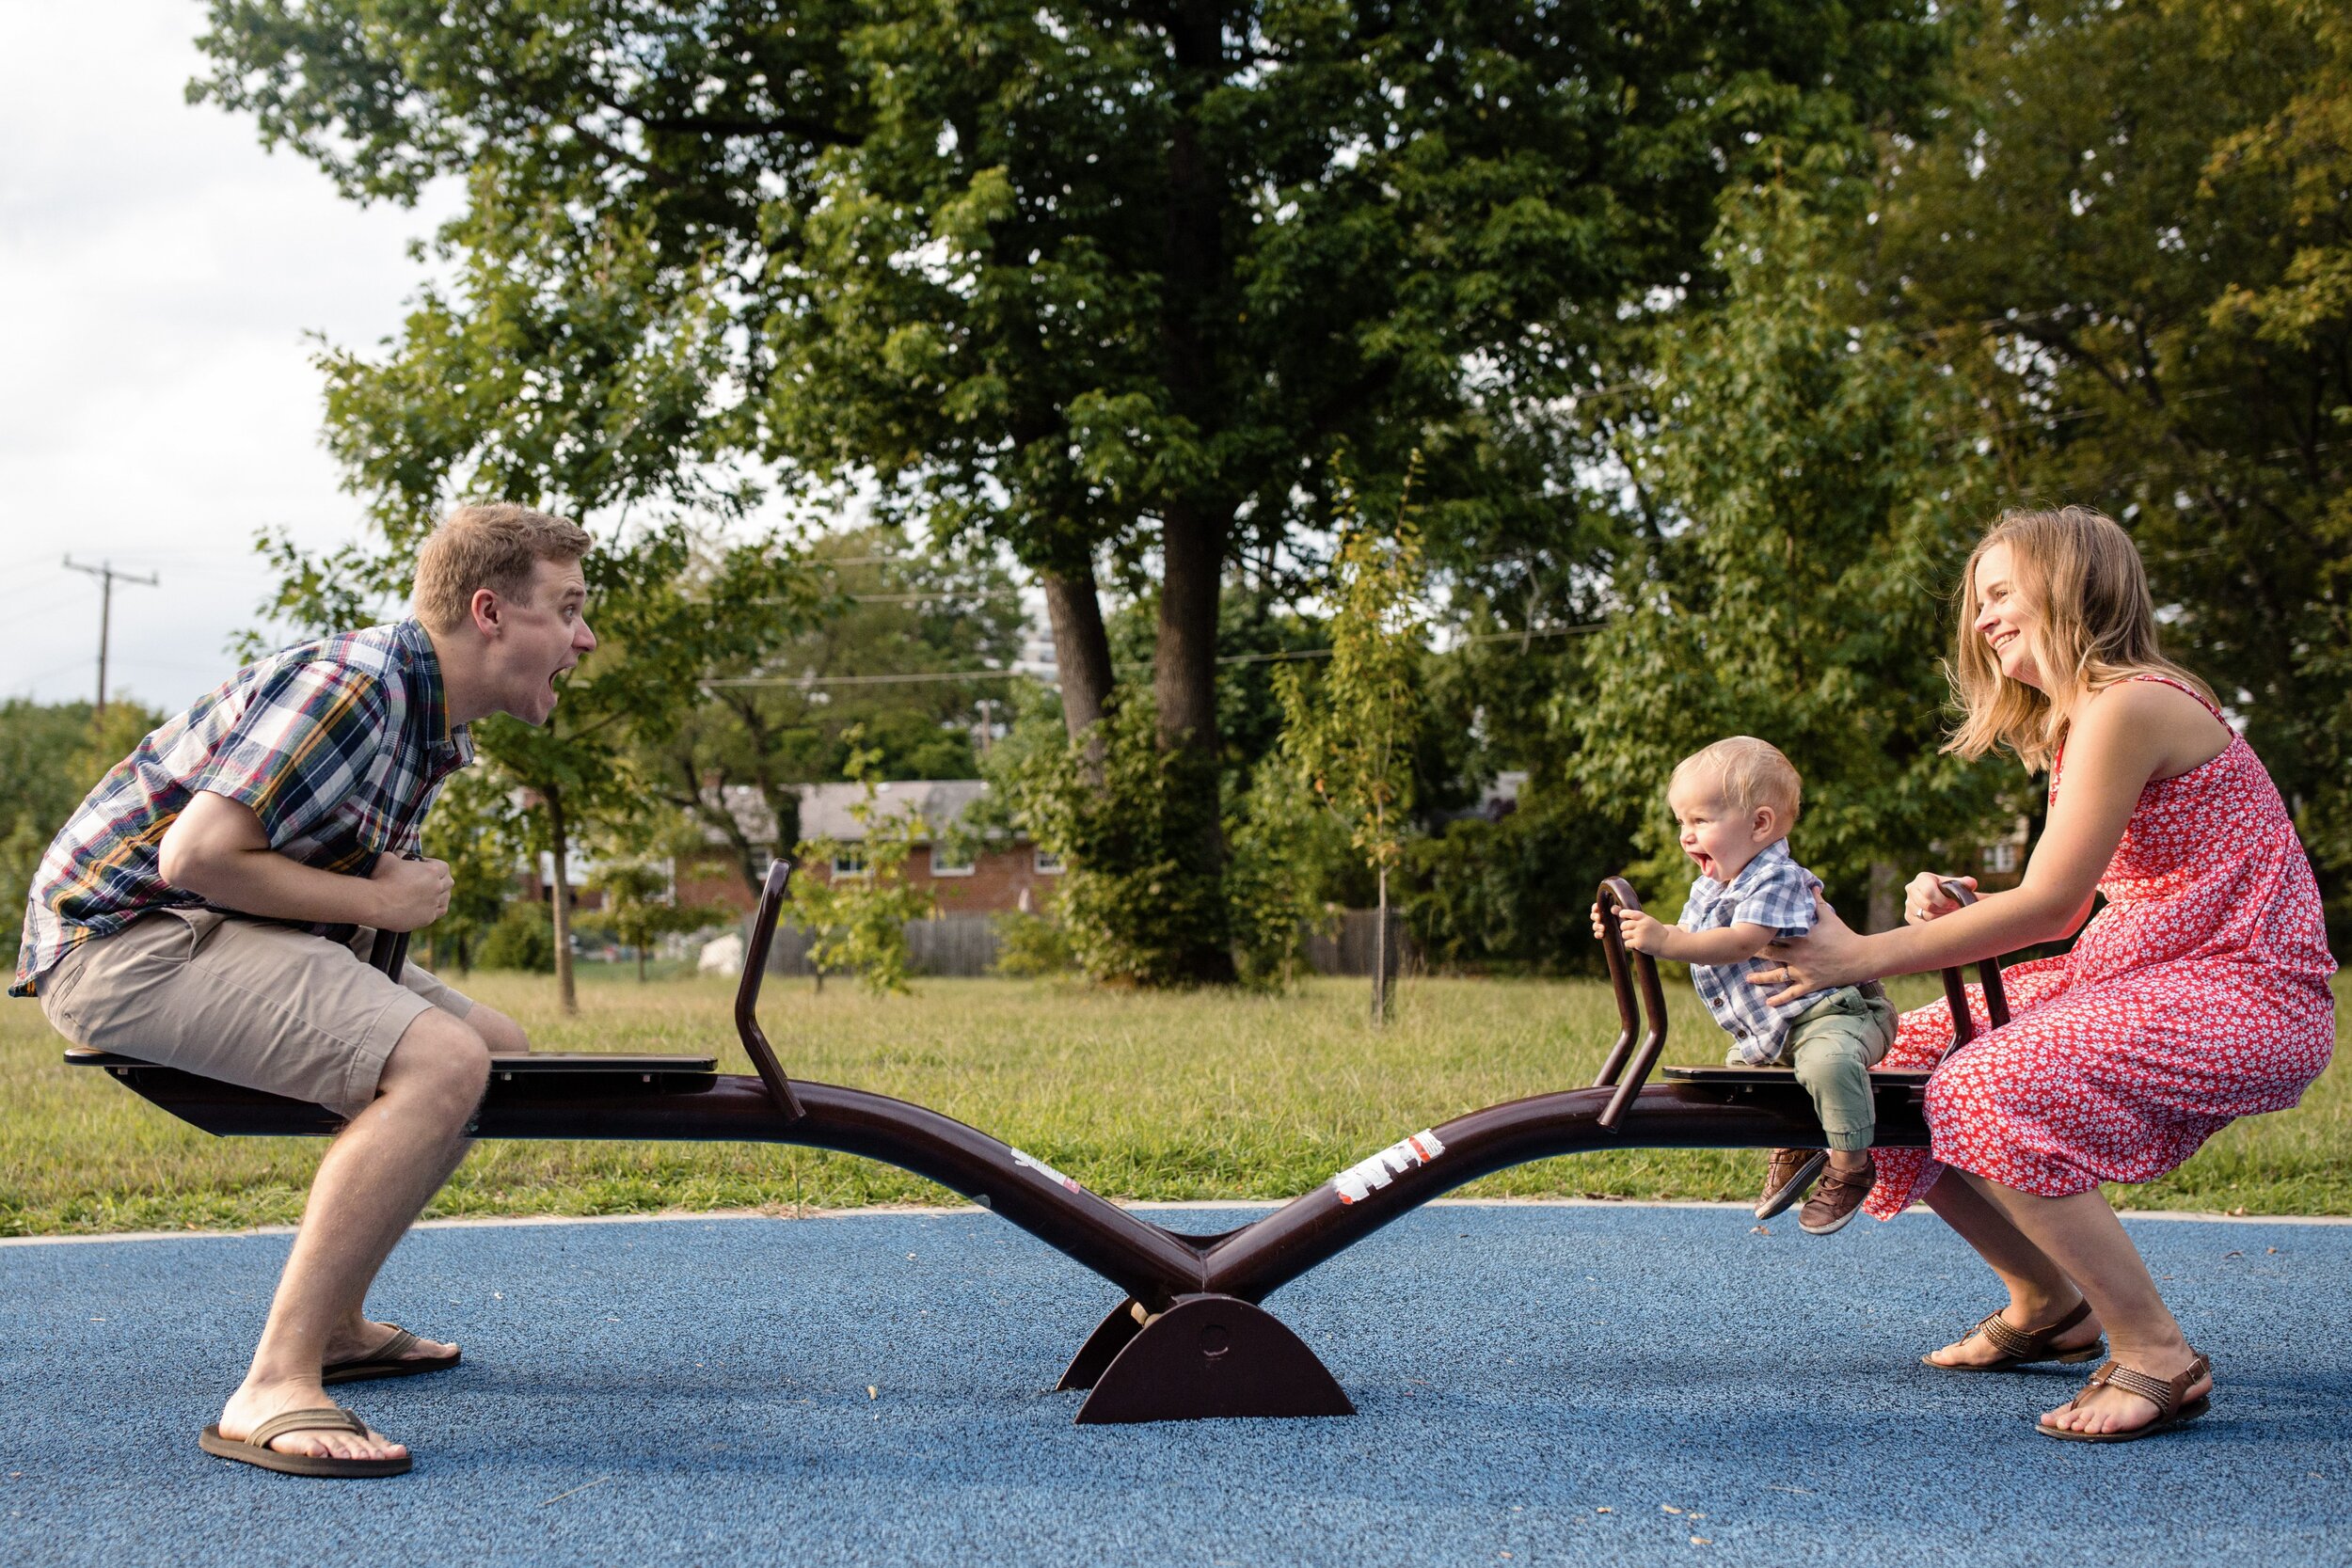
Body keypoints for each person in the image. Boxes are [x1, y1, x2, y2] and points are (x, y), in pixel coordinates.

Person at [11, 503, 597, 1478]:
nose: (585, 636)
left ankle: (334, 1325)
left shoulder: (426, 719)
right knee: (441, 1060)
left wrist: (372, 918)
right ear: (489, 611)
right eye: (569, 608)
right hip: (122, 940)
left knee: (495, 1046)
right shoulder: (355, 684)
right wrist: (378, 896)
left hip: (221, 924)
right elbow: (196, 853)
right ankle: (273, 1382)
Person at [1752, 505, 2334, 1442]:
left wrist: (1860, 952)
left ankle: (2154, 1348)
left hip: (2245, 986)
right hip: (2150, 970)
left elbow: (2053, 904)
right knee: (1899, 1055)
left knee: (1984, 1085)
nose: (1980, 618)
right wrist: (1961, 908)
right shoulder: (2080, 722)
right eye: (1976, 600)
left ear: (2070, 585)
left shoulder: (2129, 700)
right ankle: (2046, 1299)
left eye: (1998, 593)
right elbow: (2091, 890)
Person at [1594, 737, 1898, 1235]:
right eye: (1681, 823)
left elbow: (1739, 942)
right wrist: (1629, 931)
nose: (1686, 837)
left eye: (1700, 821)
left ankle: (1851, 1167)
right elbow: (1690, 937)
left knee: (1828, 1064)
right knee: (1739, 1080)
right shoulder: (1711, 886)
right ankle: (1798, 1141)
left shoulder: (1778, 877)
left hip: (1839, 1015)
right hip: (1777, 1030)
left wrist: (1664, 938)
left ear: (1760, 824)